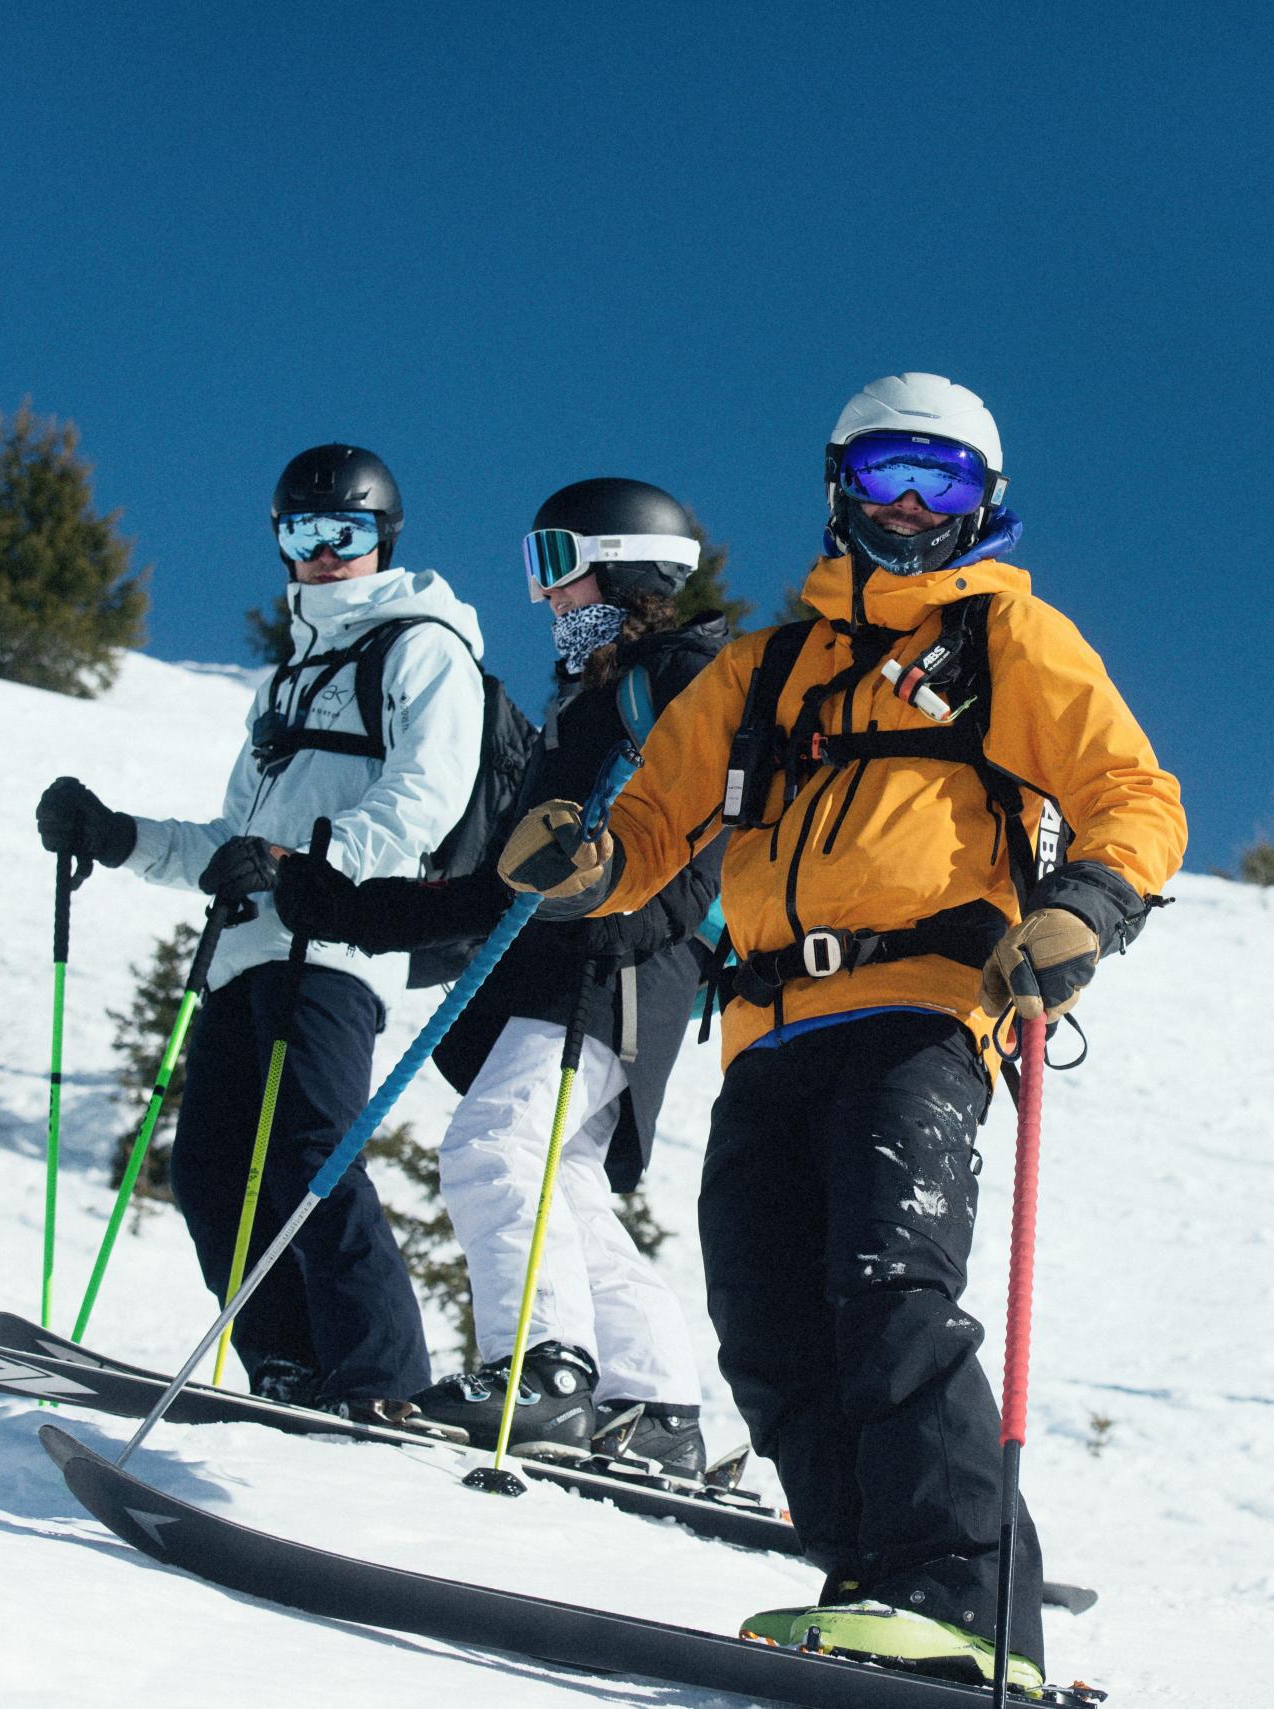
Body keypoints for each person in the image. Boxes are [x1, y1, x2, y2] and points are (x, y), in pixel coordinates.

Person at [495, 374, 1186, 1688]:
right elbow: (654, 828)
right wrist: (583, 865)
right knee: (765, 1318)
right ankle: (876, 1582)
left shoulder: (1009, 643)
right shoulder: (767, 669)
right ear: (839, 494)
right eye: (885, 479)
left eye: (942, 484)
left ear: (986, 507)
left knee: (888, 1288)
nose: (912, 509)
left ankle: (968, 1605)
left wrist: (1085, 904)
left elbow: (1132, 794)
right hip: (766, 1025)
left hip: (924, 1009)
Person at [271, 478, 728, 1474]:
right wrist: (354, 912)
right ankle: (653, 1400)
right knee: (557, 1179)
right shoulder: (588, 707)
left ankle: (542, 1370)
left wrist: (612, 919)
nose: (543, 594)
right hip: (584, 968)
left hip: (623, 966)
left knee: (493, 1146)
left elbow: (711, 838)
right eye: (536, 568)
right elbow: (501, 888)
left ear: (631, 565)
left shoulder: (685, 676)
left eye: (558, 565)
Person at [34, 443, 483, 1426]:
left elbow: (423, 799)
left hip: (331, 949)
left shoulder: (421, 645)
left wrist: (300, 870)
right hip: (243, 954)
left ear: (382, 541)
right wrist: (119, 839)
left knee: (313, 1158)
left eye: (345, 533)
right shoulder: (290, 679)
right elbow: (233, 840)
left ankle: (382, 1382)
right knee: (207, 1173)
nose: (323, 553)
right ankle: (287, 1365)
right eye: (302, 533)